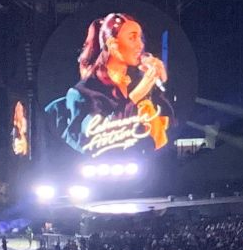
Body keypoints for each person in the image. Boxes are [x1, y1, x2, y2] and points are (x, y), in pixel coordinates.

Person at [45, 13, 172, 156]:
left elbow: (170, 123)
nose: (140, 45)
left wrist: (161, 82)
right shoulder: (84, 92)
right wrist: (135, 97)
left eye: (140, 38)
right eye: (132, 38)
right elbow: (91, 143)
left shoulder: (136, 81)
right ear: (112, 44)